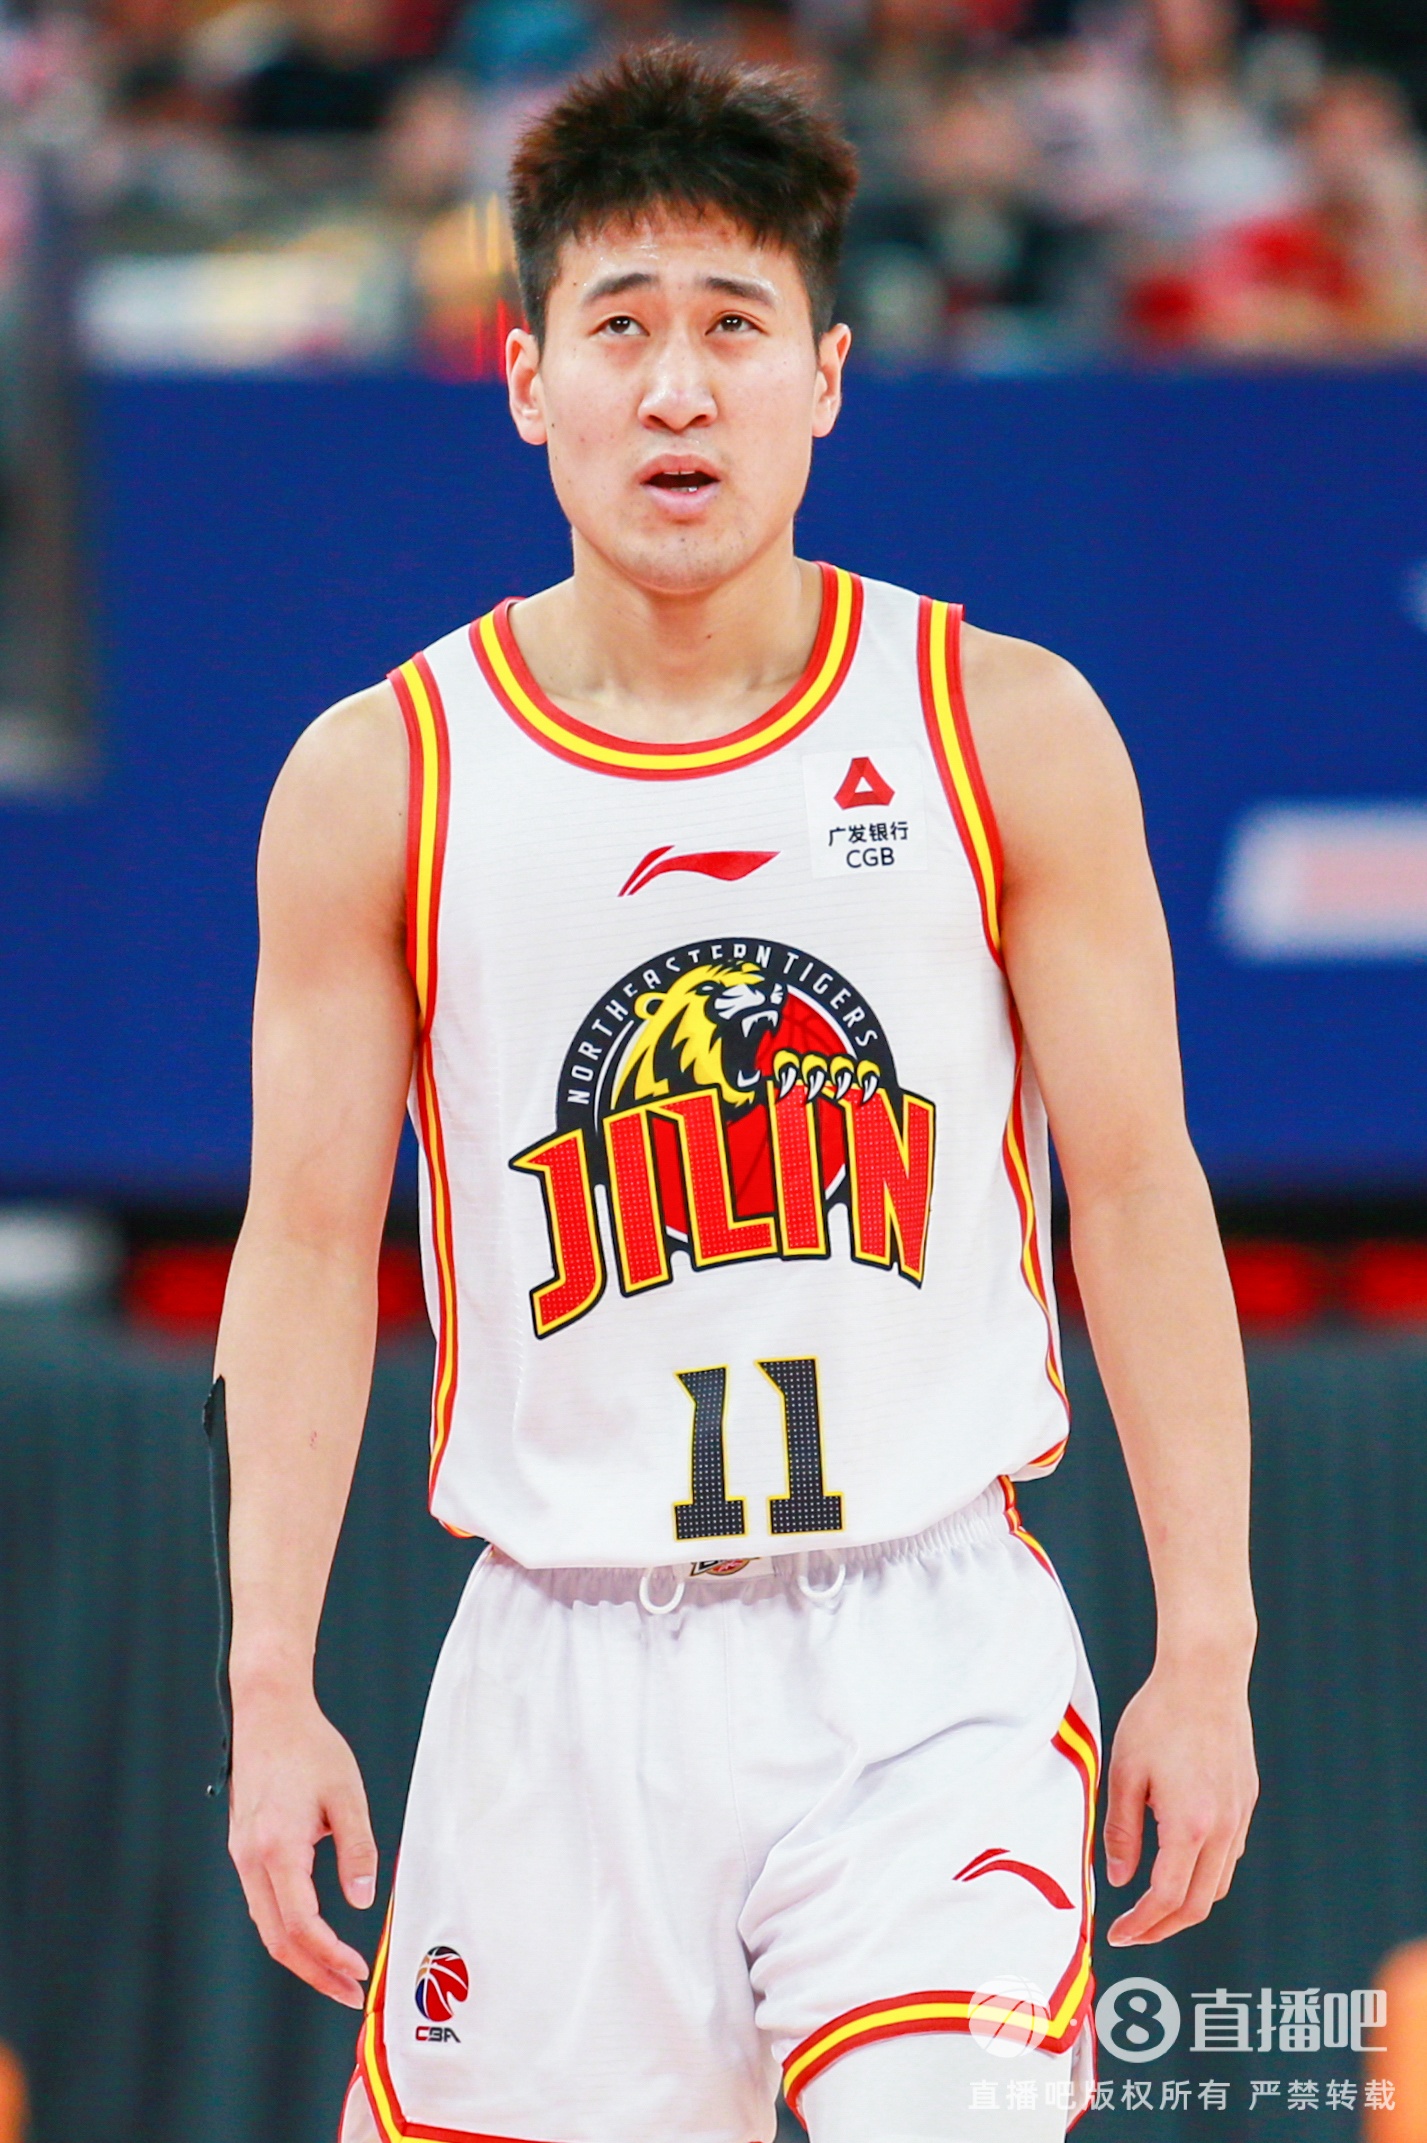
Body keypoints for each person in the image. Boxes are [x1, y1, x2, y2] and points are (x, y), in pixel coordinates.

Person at [215, 41, 1258, 2143]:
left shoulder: (1001, 726)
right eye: (621, 330)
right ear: (527, 377)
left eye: (733, 328)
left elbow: (1140, 1192)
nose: (678, 391)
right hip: (556, 1665)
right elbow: (309, 1249)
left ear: (828, 377)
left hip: (925, 1652)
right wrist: (267, 1682)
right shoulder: (381, 773)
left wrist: (1211, 1642)